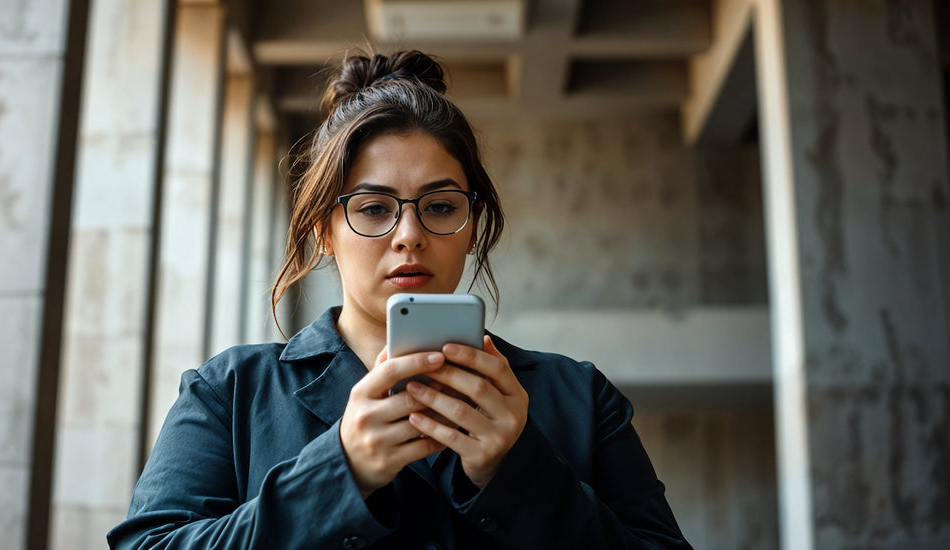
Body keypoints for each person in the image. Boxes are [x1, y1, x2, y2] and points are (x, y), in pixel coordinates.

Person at [108, 50, 692, 549]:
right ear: (324, 231)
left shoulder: (580, 398)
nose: (408, 234)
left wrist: (518, 473)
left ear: (470, 226)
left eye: (439, 207)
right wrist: (338, 473)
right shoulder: (230, 393)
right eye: (373, 208)